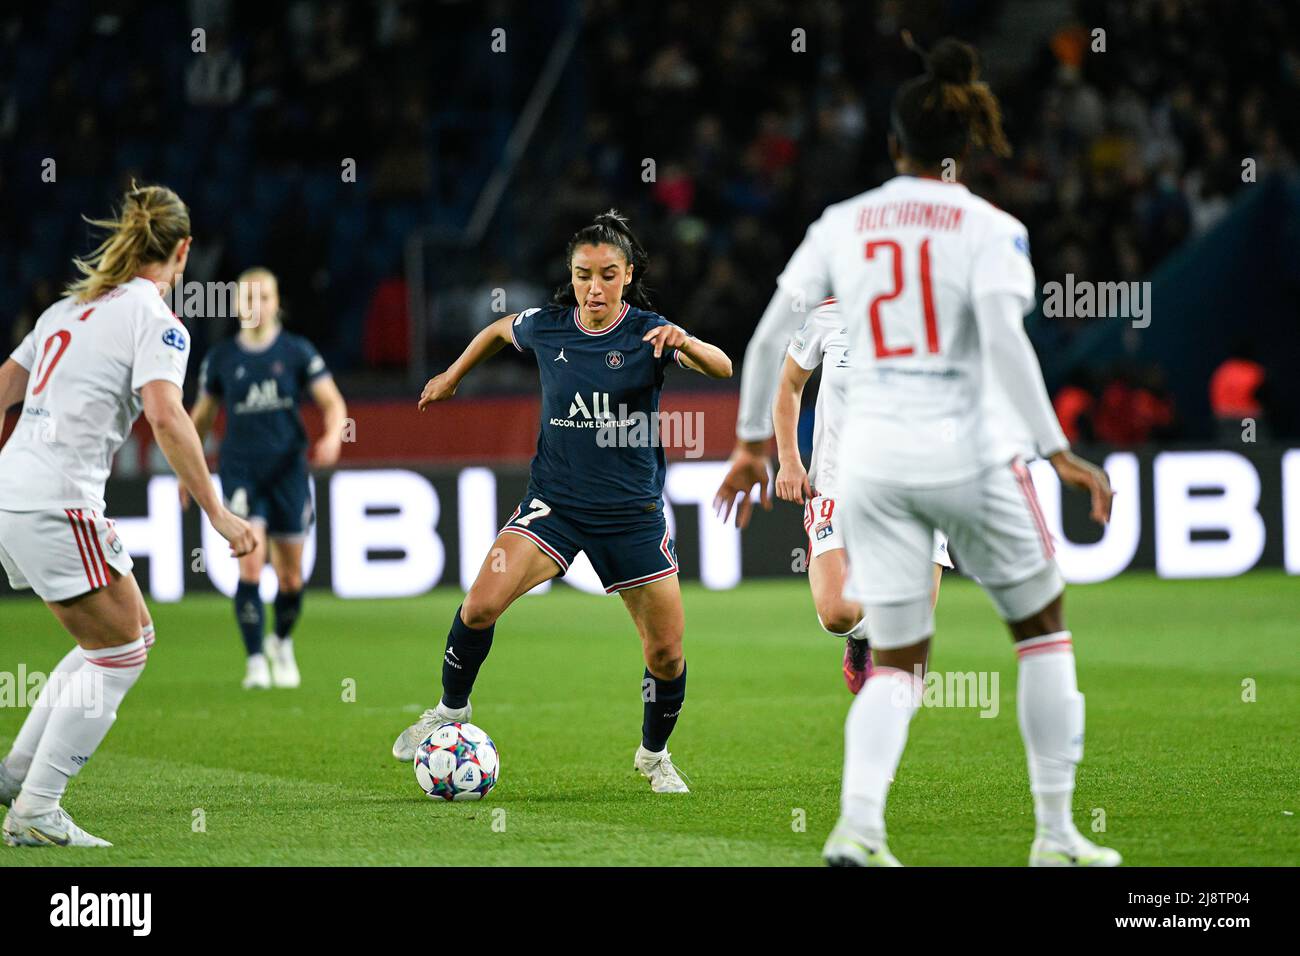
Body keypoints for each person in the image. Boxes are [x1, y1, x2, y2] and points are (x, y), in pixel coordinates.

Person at [721, 37, 1120, 867]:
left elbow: (765, 338)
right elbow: (1008, 347)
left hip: (873, 467)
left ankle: (858, 830)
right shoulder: (992, 228)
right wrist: (1058, 451)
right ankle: (1054, 836)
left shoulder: (841, 226)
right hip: (967, 454)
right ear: (967, 147)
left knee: (897, 659)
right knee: (1043, 631)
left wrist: (753, 445)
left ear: (893, 146)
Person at [390, 210, 732, 793]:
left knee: (667, 654)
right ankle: (450, 712)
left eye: (606, 275)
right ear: (570, 276)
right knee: (479, 605)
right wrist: (452, 376)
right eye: (581, 275)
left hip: (632, 515)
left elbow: (723, 367)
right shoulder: (547, 326)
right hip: (557, 504)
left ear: (627, 275)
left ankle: (653, 755)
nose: (592, 288)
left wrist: (688, 342)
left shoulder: (649, 331)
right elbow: (499, 330)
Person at [0, 183, 255, 847]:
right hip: (56, 499)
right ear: (184, 251)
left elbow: (3, 385)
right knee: (118, 654)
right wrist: (220, 516)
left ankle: (16, 776)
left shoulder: (66, 308)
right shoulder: (157, 321)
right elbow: (167, 414)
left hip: (18, 489)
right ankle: (35, 809)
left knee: (129, 635)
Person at [772, 296, 951, 694]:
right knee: (838, 613)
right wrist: (788, 458)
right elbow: (789, 384)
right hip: (839, 485)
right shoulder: (829, 314)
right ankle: (860, 638)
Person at [186, 267, 348, 690]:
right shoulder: (221, 358)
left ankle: (280, 641)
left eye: (264, 297)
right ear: (236, 304)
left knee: (291, 577)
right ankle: (255, 660)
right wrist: (186, 469)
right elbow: (199, 419)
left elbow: (332, 401)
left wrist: (333, 435)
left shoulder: (296, 351)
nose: (256, 306)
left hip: (288, 471)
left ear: (277, 303)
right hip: (240, 470)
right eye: (248, 298)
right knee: (251, 566)